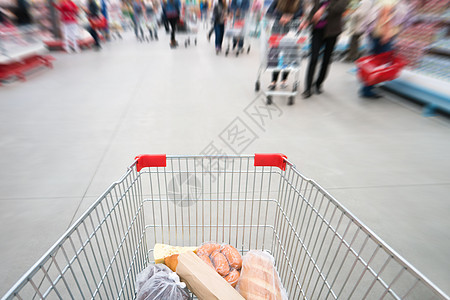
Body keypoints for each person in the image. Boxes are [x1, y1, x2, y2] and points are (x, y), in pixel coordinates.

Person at [302, 0, 349, 98]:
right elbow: (313, 9)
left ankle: (318, 84)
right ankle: (308, 88)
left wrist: (324, 9)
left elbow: (341, 7)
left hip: (332, 31)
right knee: (313, 57)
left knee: (326, 59)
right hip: (317, 30)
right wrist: (308, 20)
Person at [360, 3, 400, 98]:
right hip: (381, 36)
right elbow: (386, 18)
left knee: (374, 62)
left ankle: (367, 88)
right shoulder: (389, 2)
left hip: (375, 35)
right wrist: (386, 35)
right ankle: (367, 89)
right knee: (377, 64)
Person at [266, 0, 303, 90]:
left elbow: (300, 12)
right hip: (278, 27)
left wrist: (290, 17)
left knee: (289, 54)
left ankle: (284, 80)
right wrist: (280, 17)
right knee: (275, 54)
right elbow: (269, 12)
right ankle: (273, 81)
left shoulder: (299, 1)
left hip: (292, 28)